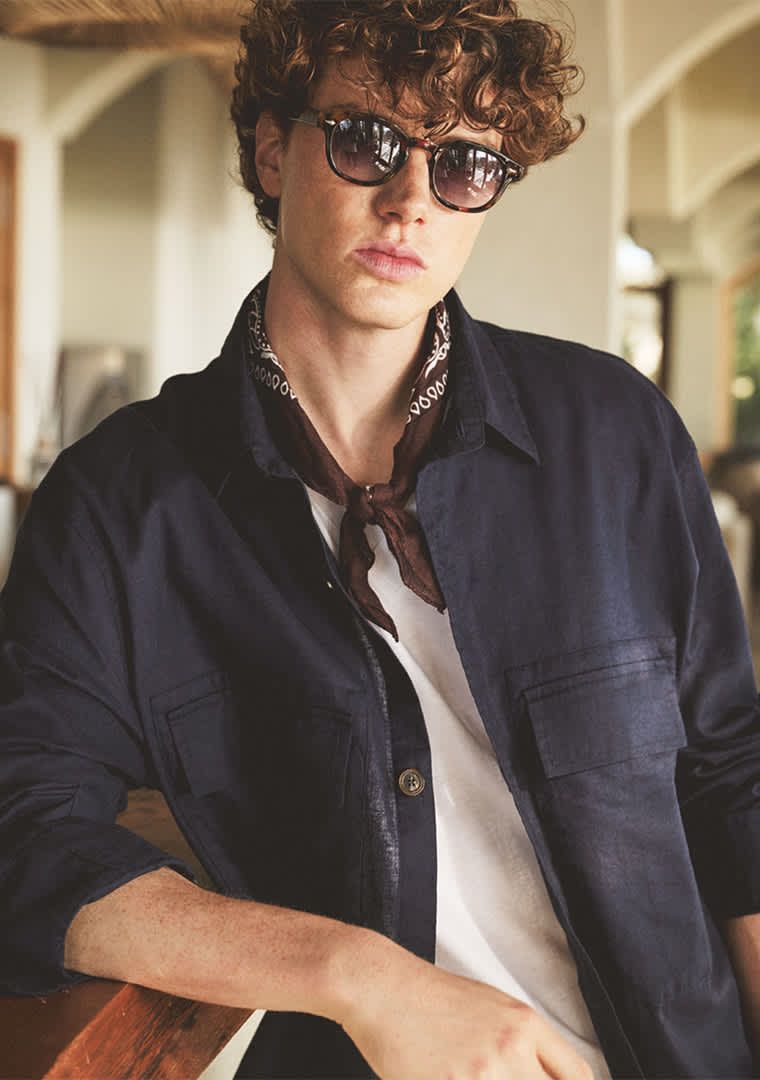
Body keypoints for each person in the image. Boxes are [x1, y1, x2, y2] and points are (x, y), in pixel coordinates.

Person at [0, 1, 759, 1076]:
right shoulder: (119, 504)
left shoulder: (615, 431)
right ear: (273, 151)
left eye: (465, 165)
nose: (411, 201)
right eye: (367, 142)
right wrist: (356, 975)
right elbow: (21, 829)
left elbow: (729, 773)